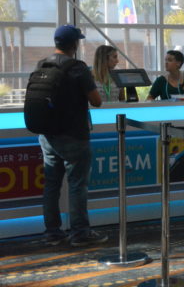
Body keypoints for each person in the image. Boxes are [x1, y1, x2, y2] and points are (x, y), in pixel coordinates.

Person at [38, 25, 106, 247]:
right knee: (77, 185)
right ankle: (79, 233)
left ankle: (52, 233)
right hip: (74, 135)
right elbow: (96, 100)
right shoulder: (77, 68)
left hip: (47, 135)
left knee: (51, 184)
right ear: (74, 44)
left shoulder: (43, 64)